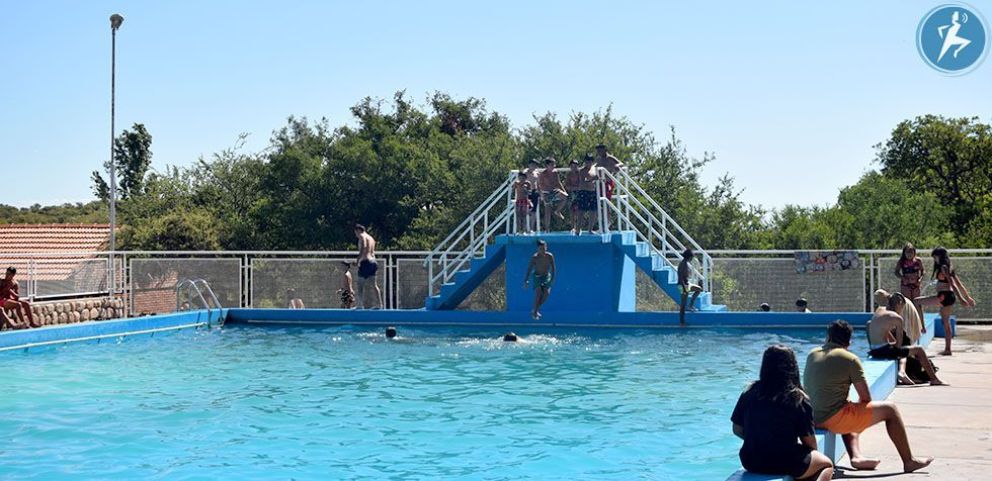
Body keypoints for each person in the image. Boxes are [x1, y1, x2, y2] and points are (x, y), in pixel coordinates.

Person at [803, 320, 934, 473]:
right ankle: (909, 461)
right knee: (890, 409)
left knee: (846, 406)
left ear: (828, 338)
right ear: (849, 342)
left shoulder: (812, 354)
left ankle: (856, 457)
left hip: (812, 419)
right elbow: (866, 398)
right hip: (833, 419)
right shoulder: (850, 359)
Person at [732, 345, 834, 481]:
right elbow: (810, 444)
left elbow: (737, 429)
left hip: (750, 460)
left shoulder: (749, 391)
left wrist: (762, 440)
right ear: (793, 367)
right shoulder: (798, 398)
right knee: (826, 465)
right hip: (784, 461)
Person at [867, 293, 944, 386]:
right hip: (884, 351)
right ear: (899, 304)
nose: (901, 311)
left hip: (874, 351)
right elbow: (899, 345)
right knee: (919, 350)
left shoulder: (879, 311)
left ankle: (902, 372)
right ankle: (934, 379)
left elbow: (872, 326)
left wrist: (892, 344)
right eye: (902, 308)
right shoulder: (897, 318)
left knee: (903, 350)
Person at [916, 247, 975, 355]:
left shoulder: (943, 268)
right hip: (947, 297)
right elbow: (960, 285)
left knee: (916, 301)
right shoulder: (949, 268)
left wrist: (962, 299)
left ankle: (921, 325)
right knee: (945, 323)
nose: (935, 260)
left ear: (940, 256)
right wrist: (968, 297)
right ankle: (948, 349)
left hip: (944, 296)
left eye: (935, 257)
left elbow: (953, 285)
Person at [523, 240, 556, 320]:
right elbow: (529, 269)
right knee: (539, 292)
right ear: (537, 249)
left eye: (544, 248)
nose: (543, 250)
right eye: (541, 249)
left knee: (546, 294)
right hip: (537, 276)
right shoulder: (535, 257)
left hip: (546, 276)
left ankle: (535, 309)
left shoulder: (550, 256)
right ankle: (535, 311)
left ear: (546, 247)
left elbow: (553, 268)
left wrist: (552, 278)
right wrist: (526, 280)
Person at [354, 224, 383, 309]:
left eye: (355, 232)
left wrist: (357, 260)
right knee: (374, 285)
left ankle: (360, 305)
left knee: (360, 284)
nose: (356, 235)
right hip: (373, 262)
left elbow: (364, 248)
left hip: (365, 262)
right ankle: (379, 304)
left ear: (358, 230)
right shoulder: (371, 238)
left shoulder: (362, 236)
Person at [538, 157, 568, 231]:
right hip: (546, 193)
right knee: (547, 210)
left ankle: (558, 211)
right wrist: (541, 195)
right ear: (547, 165)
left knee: (565, 197)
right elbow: (539, 185)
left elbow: (558, 182)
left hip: (554, 191)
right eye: (551, 164)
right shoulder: (543, 174)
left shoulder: (555, 172)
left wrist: (564, 191)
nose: (553, 166)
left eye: (554, 164)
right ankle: (547, 229)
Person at [678, 249, 703, 326]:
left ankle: (691, 305)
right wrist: (684, 288)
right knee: (683, 304)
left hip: (687, 284)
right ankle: (682, 322)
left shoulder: (686, 263)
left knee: (699, 289)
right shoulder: (682, 264)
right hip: (681, 285)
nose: (692, 258)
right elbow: (680, 277)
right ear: (689, 257)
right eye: (692, 256)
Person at [575, 154, 599, 233]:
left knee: (593, 211)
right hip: (583, 192)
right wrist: (592, 179)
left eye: (589, 161)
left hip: (592, 192)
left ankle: (590, 229)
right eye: (586, 161)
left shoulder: (594, 169)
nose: (587, 163)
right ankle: (577, 229)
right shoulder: (582, 170)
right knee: (581, 211)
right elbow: (584, 180)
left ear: (592, 162)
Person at [564, 159, 582, 233]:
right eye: (572, 166)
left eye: (575, 166)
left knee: (579, 211)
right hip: (571, 194)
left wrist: (575, 187)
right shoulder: (569, 174)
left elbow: (581, 184)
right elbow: (567, 185)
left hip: (579, 194)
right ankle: (572, 227)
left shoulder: (580, 174)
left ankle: (578, 227)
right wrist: (572, 188)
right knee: (571, 211)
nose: (574, 167)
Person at [524, 159, 542, 232]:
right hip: (527, 192)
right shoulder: (525, 173)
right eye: (532, 165)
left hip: (535, 192)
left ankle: (531, 228)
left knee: (534, 211)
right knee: (526, 210)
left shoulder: (537, 173)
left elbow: (538, 185)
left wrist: (540, 195)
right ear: (529, 165)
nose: (534, 166)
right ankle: (524, 228)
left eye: (535, 165)